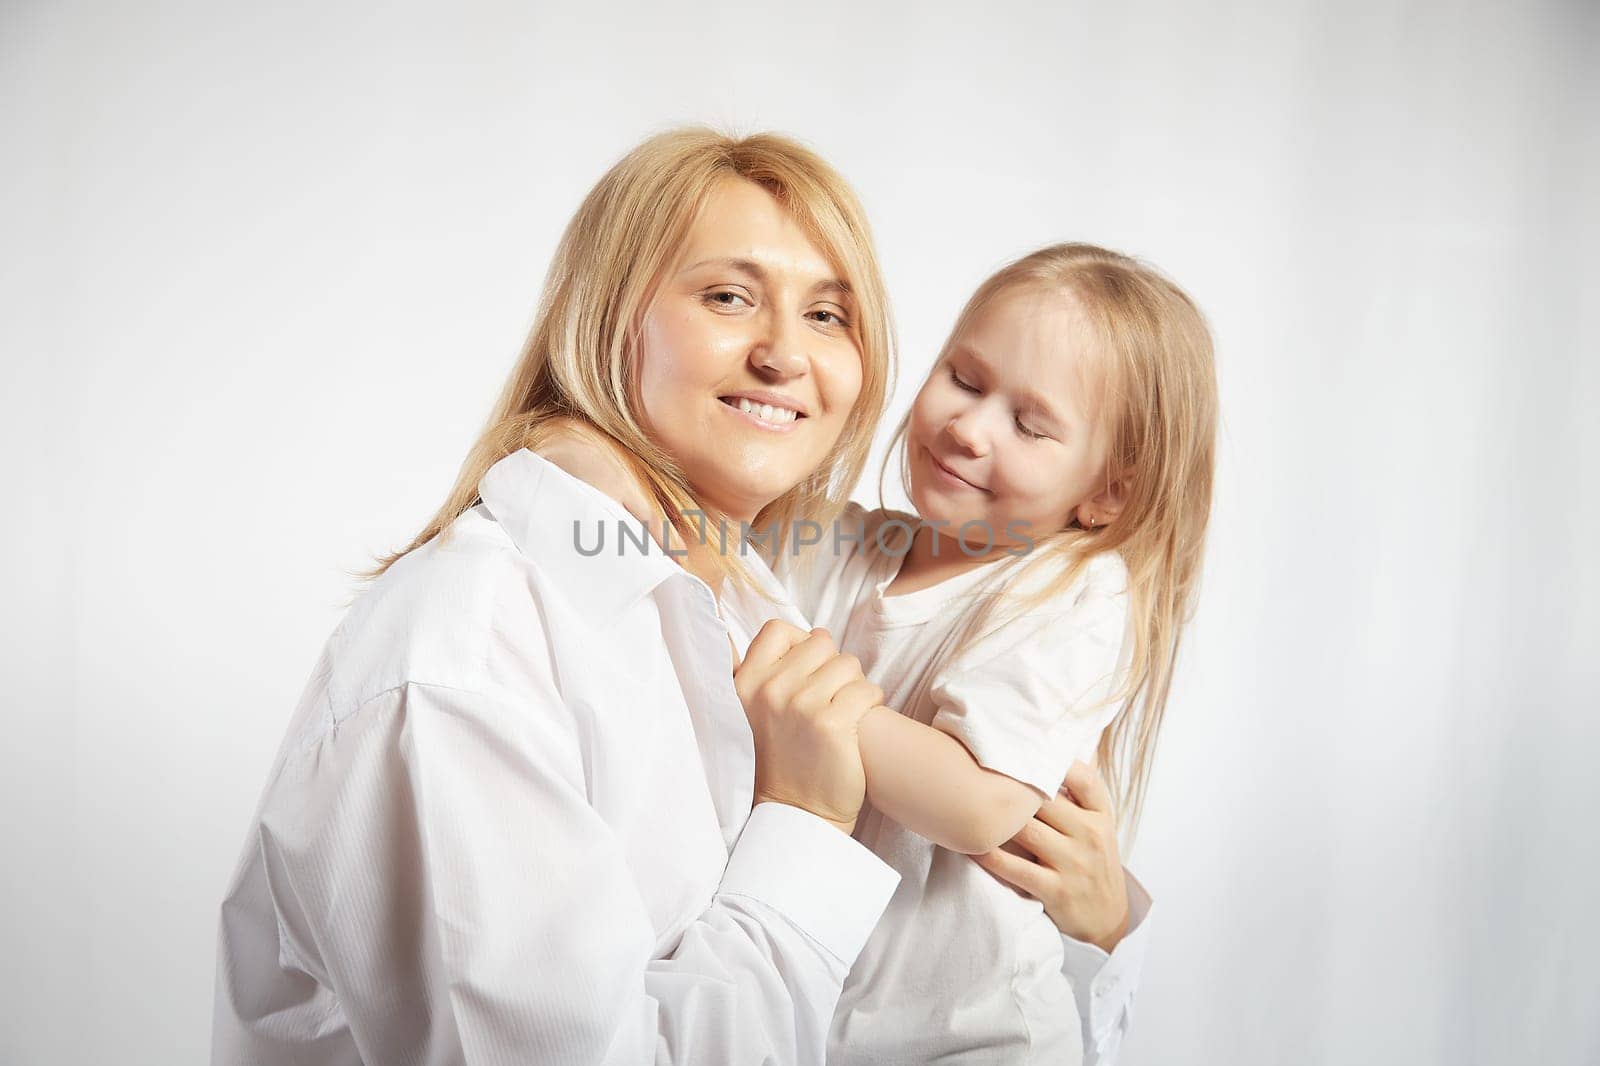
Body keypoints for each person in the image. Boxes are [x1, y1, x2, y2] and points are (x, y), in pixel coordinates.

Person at [210, 128, 904, 1065]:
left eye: (830, 316)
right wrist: (807, 830)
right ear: (613, 322)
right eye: (729, 297)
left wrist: (1101, 921)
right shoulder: (472, 644)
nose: (787, 354)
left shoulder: (745, 602)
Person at [539, 243, 1215, 1064]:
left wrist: (805, 691)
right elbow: (684, 523)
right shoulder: (842, 540)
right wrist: (580, 454)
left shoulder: (1078, 589)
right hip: (818, 1019)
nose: (968, 427)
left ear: (1109, 491)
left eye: (1030, 424)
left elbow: (981, 805)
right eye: (964, 379)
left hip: (971, 1041)